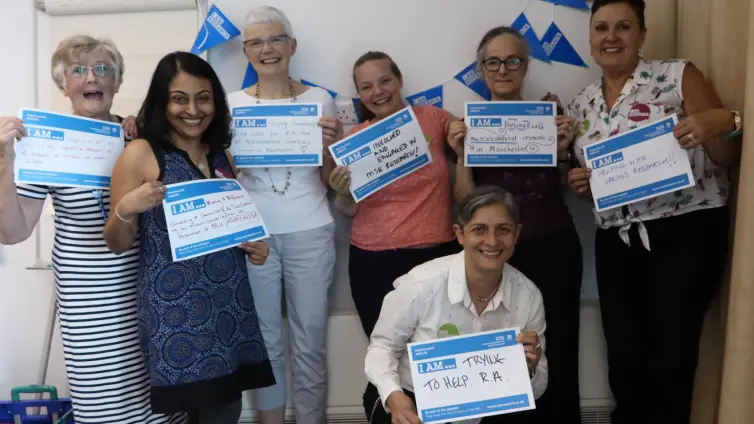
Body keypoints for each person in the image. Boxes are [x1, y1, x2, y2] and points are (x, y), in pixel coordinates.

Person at [565, 1, 741, 423]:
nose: (612, 37)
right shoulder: (580, 105)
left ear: (642, 35)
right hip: (616, 241)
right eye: (602, 28)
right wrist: (580, 184)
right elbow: (596, 187)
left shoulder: (677, 76)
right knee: (624, 360)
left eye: (624, 27)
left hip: (685, 234)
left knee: (672, 358)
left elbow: (727, 155)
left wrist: (717, 123)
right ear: (590, 38)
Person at [0, 35, 182, 424]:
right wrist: (5, 160)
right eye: (78, 70)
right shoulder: (42, 143)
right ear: (63, 85)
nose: (91, 78)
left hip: (151, 290)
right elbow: (13, 232)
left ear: (116, 82)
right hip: (89, 301)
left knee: (163, 401)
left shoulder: (140, 135)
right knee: (105, 404)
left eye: (103, 69)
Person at [103, 51, 275, 423]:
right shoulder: (141, 154)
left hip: (229, 304)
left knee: (227, 406)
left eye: (203, 97)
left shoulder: (221, 154)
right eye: (179, 99)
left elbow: (224, 225)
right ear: (162, 102)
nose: (193, 109)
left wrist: (254, 247)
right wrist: (126, 207)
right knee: (203, 409)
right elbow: (115, 243)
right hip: (178, 313)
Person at [447, 27, 582, 424]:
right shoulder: (465, 127)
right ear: (480, 68)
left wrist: (560, 153)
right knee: (499, 354)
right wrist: (461, 155)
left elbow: (565, 190)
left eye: (513, 60)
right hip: (494, 256)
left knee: (556, 349)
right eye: (493, 61)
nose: (502, 69)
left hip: (553, 246)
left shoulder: (549, 119)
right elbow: (464, 202)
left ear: (526, 67)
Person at [329, 51, 462, 421]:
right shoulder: (353, 141)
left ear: (399, 79)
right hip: (375, 262)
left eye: (384, 81)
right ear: (358, 95)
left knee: (441, 355)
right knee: (387, 358)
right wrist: (341, 190)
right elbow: (348, 210)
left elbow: (480, 142)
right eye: (366, 87)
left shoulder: (433, 120)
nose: (378, 92)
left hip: (437, 257)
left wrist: (541, 118)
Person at [227, 6, 342, 423]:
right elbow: (225, 176)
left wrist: (334, 150)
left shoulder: (320, 100)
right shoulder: (230, 104)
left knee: (309, 340)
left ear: (291, 46)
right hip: (253, 236)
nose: (266, 49)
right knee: (266, 340)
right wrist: (231, 161)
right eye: (256, 42)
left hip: (311, 228)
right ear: (245, 52)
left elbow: (332, 179)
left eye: (275, 39)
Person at [365, 186, 547, 424]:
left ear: (516, 234)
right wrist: (395, 397)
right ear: (460, 234)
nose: (492, 241)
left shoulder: (528, 296)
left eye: (503, 230)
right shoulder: (421, 284)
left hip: (489, 407)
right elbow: (382, 348)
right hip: (414, 401)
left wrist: (530, 370)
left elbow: (539, 384)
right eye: (479, 229)